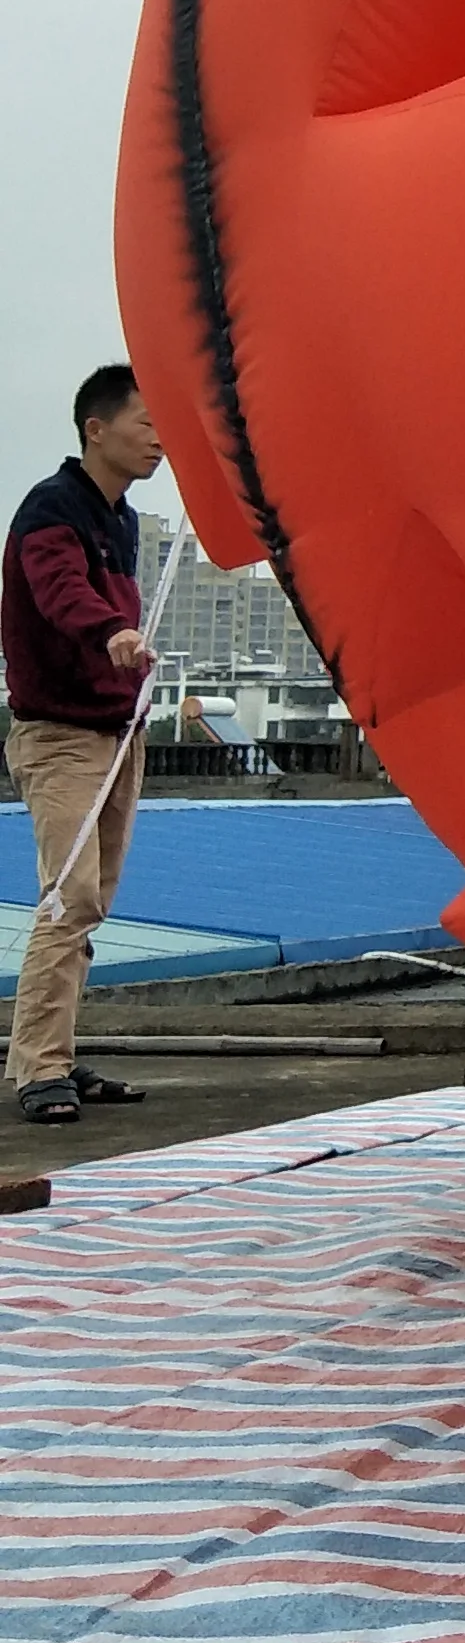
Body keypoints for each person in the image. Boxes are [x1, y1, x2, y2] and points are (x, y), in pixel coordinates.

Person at [3, 366, 165, 1126]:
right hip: (62, 736)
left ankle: (57, 1055)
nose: (160, 439)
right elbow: (61, 592)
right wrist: (113, 633)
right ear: (96, 430)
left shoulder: (121, 517)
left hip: (114, 732)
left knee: (90, 904)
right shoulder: (53, 510)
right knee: (68, 899)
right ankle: (38, 1069)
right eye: (146, 423)